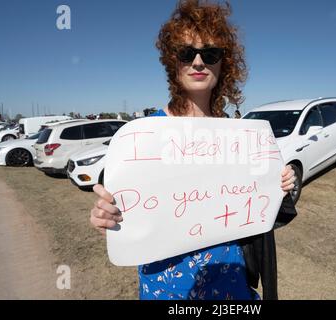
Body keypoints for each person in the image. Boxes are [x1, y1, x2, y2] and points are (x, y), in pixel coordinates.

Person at [90, 0, 296, 300]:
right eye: (187, 53)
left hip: (233, 288)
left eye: (210, 53)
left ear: (223, 63)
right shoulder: (145, 137)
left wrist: (280, 184)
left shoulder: (242, 137)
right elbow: (125, 206)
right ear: (174, 63)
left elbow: (261, 204)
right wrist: (107, 216)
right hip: (167, 290)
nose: (198, 62)